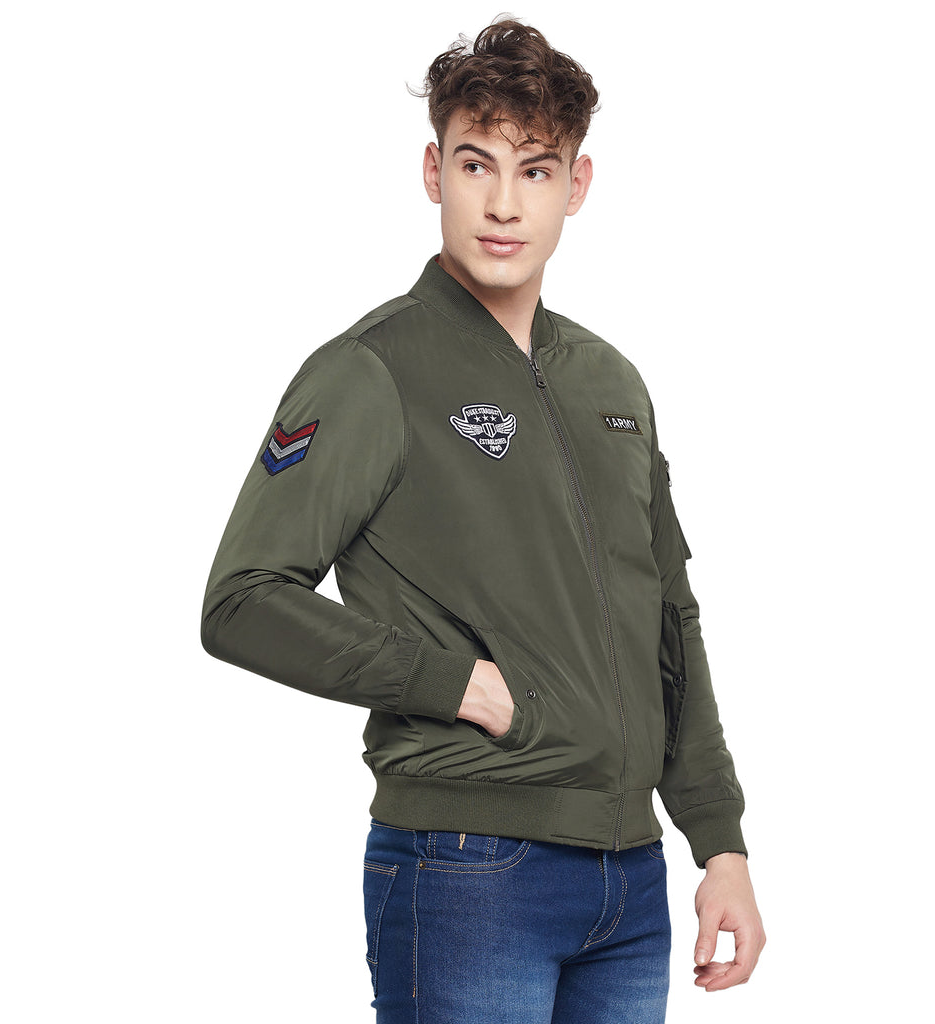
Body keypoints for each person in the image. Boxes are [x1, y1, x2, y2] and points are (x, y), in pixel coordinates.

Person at [201, 18, 765, 1023]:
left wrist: (718, 841)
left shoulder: (611, 384)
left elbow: (670, 619)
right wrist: (454, 683)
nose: (505, 203)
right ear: (434, 172)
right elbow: (242, 601)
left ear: (576, 186)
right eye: (476, 164)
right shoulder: (372, 369)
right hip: (467, 866)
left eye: (535, 170)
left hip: (630, 882)